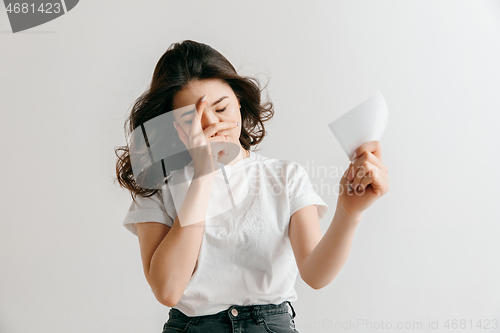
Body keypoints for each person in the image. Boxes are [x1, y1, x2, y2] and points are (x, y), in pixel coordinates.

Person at [115, 40, 389, 333]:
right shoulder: (159, 187)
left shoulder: (285, 176)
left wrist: (349, 212)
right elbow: (168, 290)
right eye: (192, 121)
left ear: (239, 101)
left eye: (221, 108)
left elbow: (315, 274)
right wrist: (203, 175)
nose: (213, 125)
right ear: (175, 129)